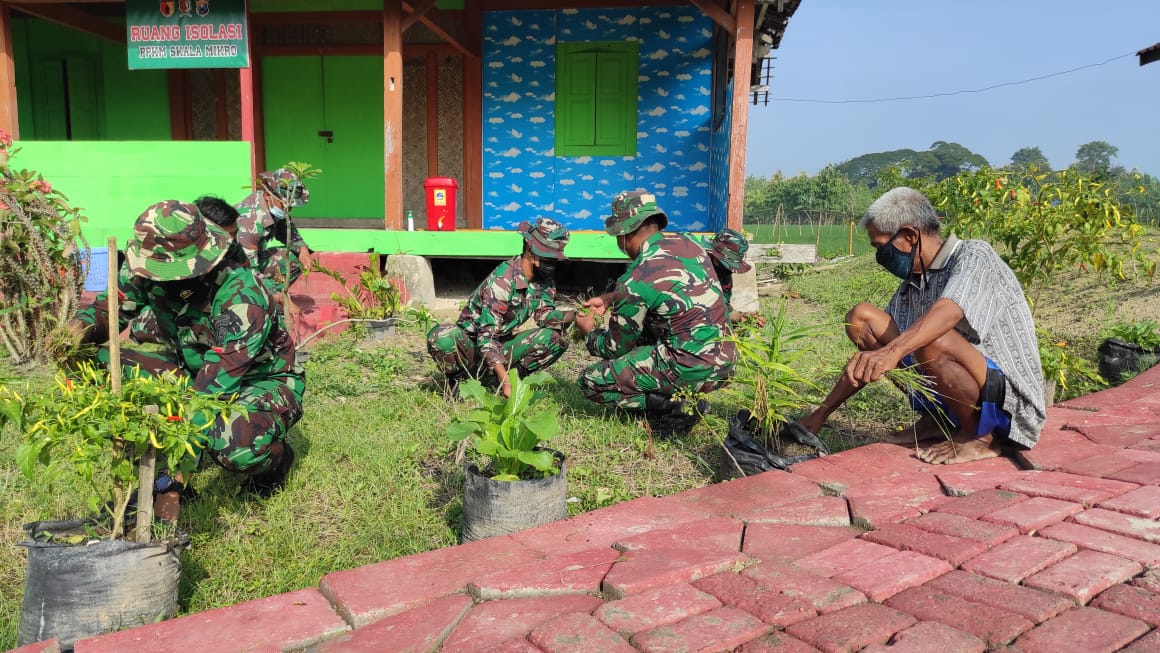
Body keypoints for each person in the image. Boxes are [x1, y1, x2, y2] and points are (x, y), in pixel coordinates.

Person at [72, 200, 306, 520]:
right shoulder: (149, 260)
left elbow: (209, 396)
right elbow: (109, 309)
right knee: (90, 360)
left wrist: (171, 485)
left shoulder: (242, 295)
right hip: (189, 368)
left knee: (234, 446)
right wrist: (74, 333)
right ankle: (143, 470)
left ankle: (275, 462)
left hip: (257, 378)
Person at [796, 187, 1045, 464]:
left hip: (1009, 407)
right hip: (962, 392)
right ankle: (937, 420)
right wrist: (821, 413)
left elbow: (948, 311)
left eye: (881, 247)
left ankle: (981, 438)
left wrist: (892, 352)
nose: (880, 257)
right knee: (861, 318)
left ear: (910, 235)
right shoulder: (913, 285)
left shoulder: (974, 255)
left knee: (930, 340)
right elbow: (880, 351)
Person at [575, 190, 736, 437]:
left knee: (591, 381)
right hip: (725, 363)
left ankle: (677, 407)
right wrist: (611, 298)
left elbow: (614, 348)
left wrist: (588, 332)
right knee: (653, 328)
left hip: (692, 367)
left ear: (625, 233)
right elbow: (665, 289)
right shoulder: (690, 245)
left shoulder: (636, 277)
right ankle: (680, 391)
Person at [426, 218, 573, 397]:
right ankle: (459, 381)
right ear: (531, 251)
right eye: (549, 258)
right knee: (442, 336)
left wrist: (575, 315)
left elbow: (544, 315)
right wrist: (504, 378)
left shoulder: (544, 281)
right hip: (472, 349)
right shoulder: (502, 282)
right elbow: (487, 338)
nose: (552, 264)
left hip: (501, 345)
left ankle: (509, 381)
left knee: (557, 338)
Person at [128, 195, 241, 345]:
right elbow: (110, 308)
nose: (231, 241)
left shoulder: (233, 261)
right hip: (173, 332)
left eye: (234, 234)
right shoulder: (145, 259)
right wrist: (86, 326)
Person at [235, 167, 313, 295]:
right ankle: (264, 303)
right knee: (259, 289)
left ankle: (270, 298)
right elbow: (249, 272)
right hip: (236, 270)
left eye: (291, 206)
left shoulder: (274, 207)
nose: (288, 210)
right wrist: (276, 297)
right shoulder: (249, 223)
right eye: (285, 204)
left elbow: (287, 229)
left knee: (295, 257)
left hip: (256, 258)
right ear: (267, 195)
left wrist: (302, 248)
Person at [705, 227, 764, 326]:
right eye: (724, 264)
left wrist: (742, 317)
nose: (728, 270)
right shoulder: (698, 270)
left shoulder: (724, 274)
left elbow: (723, 305)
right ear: (712, 254)